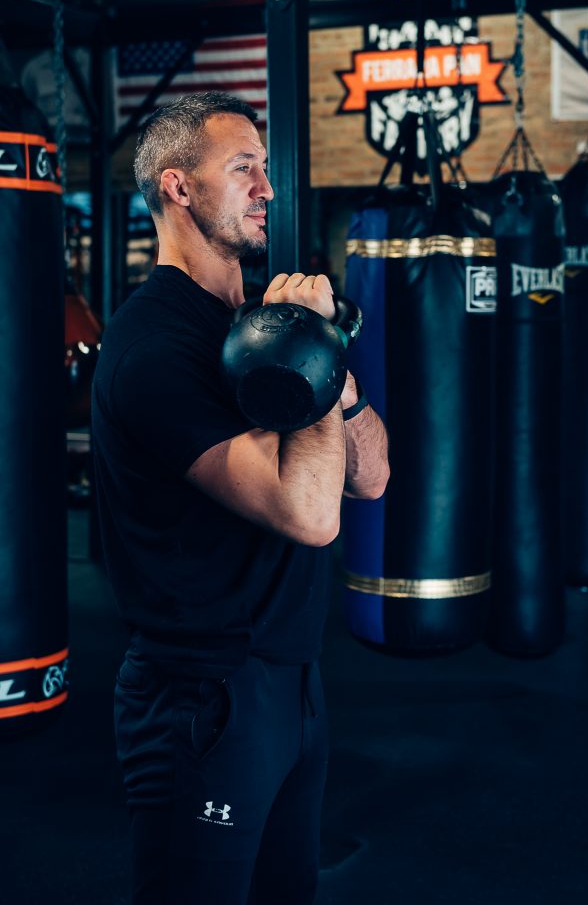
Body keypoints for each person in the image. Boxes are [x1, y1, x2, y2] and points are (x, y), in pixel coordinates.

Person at [91, 91, 389, 905]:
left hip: (291, 684)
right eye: (243, 168)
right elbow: (311, 515)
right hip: (202, 695)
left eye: (264, 168)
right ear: (179, 187)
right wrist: (309, 349)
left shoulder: (257, 326)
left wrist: (326, 363)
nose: (267, 188)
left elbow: (370, 477)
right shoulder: (155, 347)